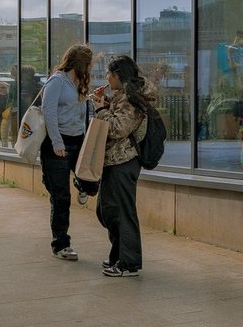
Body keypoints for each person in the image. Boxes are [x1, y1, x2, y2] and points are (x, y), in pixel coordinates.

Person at [93, 54, 156, 277]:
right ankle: (118, 256)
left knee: (121, 212)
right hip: (114, 160)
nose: (106, 78)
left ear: (118, 75)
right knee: (107, 211)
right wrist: (106, 103)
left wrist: (101, 110)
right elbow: (118, 117)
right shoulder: (123, 96)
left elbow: (118, 128)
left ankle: (129, 263)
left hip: (124, 161)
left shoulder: (131, 98)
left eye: (109, 74)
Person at [40, 44, 97, 263]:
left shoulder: (78, 83)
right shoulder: (57, 81)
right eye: (90, 65)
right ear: (81, 63)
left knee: (92, 181)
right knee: (61, 198)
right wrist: (56, 142)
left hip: (78, 140)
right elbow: (49, 111)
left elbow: (75, 110)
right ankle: (61, 244)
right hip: (57, 144)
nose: (91, 69)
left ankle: (81, 186)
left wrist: (91, 97)